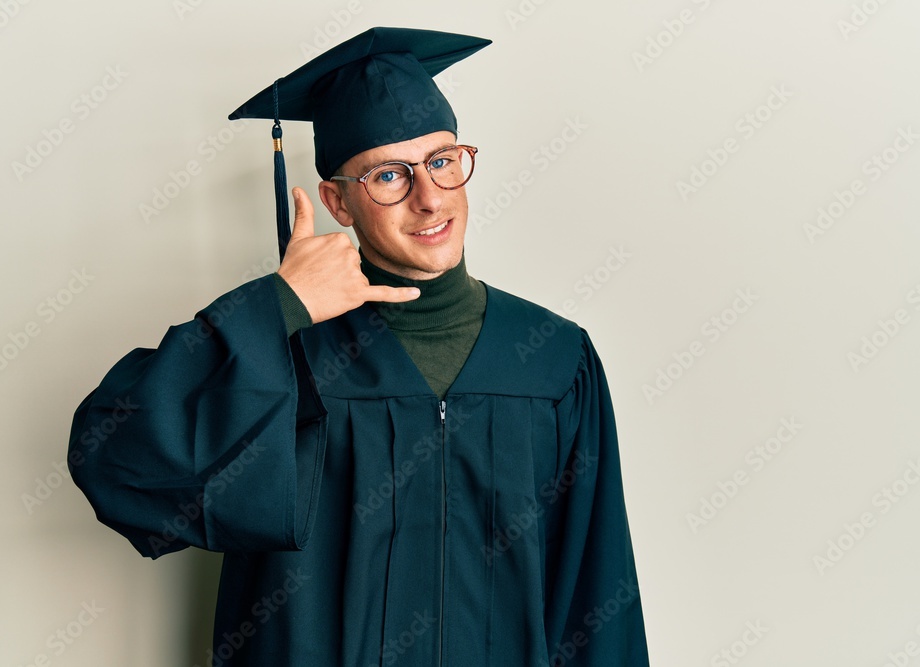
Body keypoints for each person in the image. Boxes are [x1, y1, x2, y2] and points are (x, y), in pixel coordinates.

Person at [69, 26, 649, 666]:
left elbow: (597, 597)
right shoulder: (283, 353)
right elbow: (118, 463)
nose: (428, 197)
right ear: (337, 203)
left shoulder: (553, 360)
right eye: (388, 175)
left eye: (441, 161)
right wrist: (278, 307)